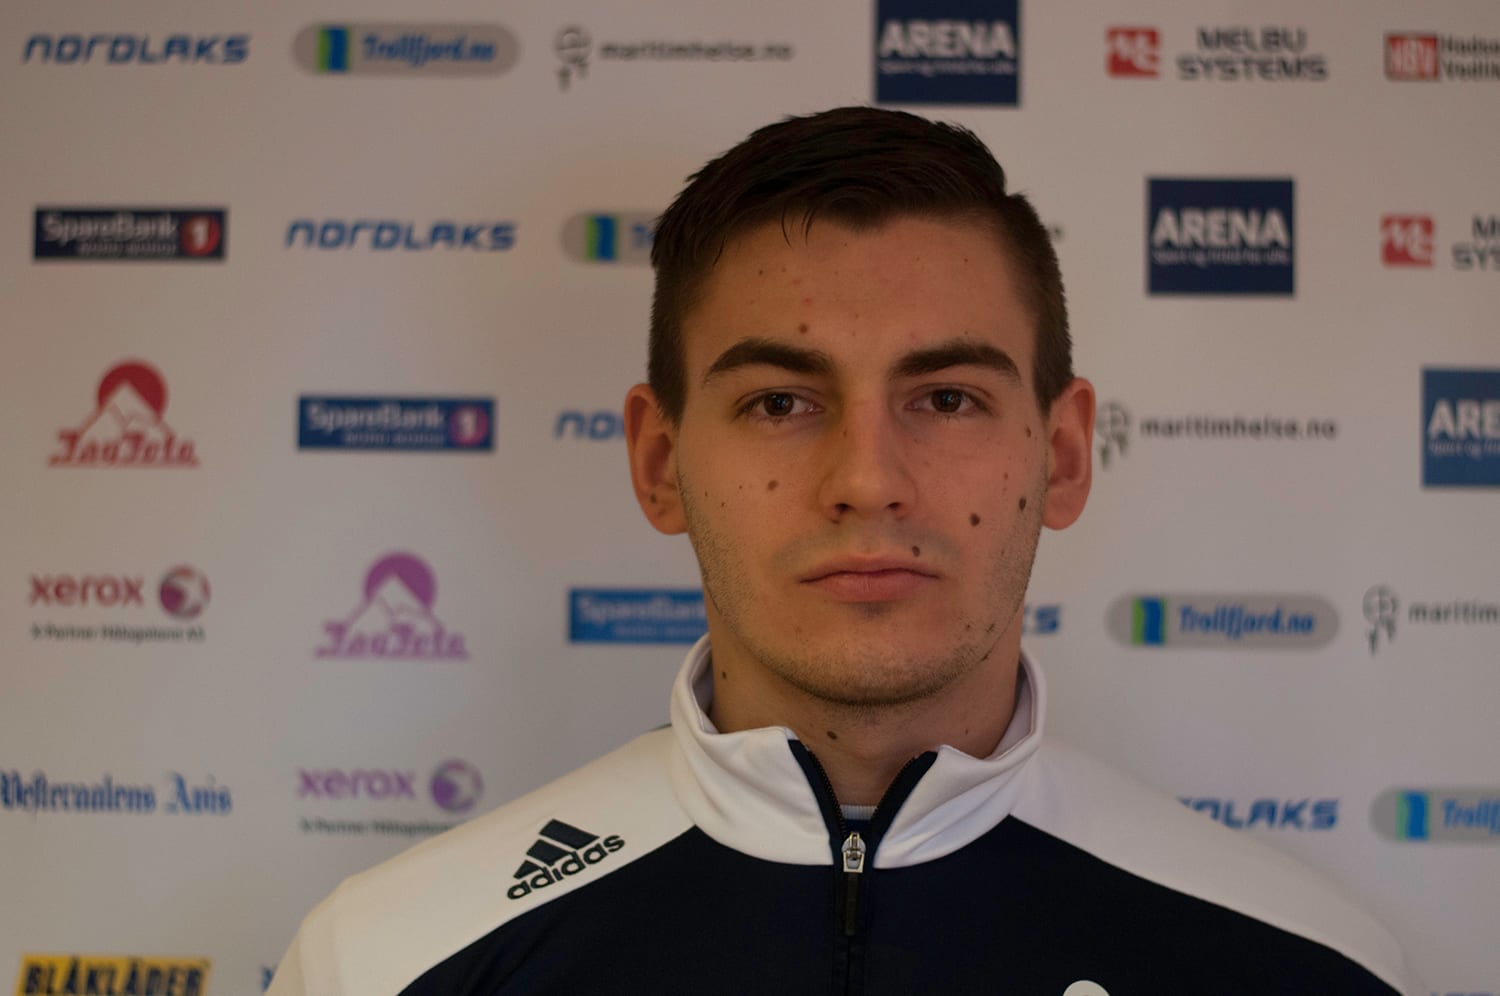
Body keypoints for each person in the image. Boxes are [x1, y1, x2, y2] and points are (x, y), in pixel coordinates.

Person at [268, 107, 1416, 995]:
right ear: (660, 462)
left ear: (1063, 456)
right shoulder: (387, 963)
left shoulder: (1314, 970)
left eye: (948, 398)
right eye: (780, 403)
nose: (867, 479)